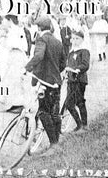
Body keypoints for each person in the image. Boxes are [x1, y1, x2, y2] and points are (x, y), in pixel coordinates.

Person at [25, 16, 65, 152]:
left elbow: (38, 56)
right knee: (54, 112)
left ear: (39, 28)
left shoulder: (41, 39)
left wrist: (26, 68)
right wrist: (54, 73)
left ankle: (53, 144)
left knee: (43, 112)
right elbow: (63, 64)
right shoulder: (58, 41)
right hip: (56, 81)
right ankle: (57, 142)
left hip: (45, 82)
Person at [63, 31, 90, 131]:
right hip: (71, 80)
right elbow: (68, 64)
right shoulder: (71, 52)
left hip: (80, 80)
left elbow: (85, 64)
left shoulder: (84, 51)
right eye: (73, 39)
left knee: (80, 101)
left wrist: (78, 69)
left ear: (82, 39)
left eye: (77, 39)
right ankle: (79, 123)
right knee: (69, 104)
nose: (74, 41)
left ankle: (85, 125)